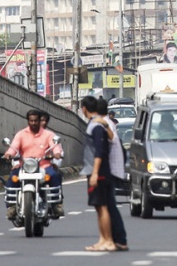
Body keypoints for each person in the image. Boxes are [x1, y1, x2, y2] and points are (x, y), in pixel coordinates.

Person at [3, 109, 63, 219]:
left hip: (43, 167)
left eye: (36, 121)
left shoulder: (48, 134)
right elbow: (14, 147)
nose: (33, 123)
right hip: (25, 167)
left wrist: (57, 153)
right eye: (31, 121)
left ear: (39, 121)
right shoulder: (21, 134)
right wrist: (8, 154)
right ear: (28, 121)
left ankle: (56, 205)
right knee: (12, 178)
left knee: (54, 175)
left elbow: (55, 147)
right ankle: (11, 206)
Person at [88, 97, 129, 251]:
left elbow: (100, 150)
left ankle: (117, 239)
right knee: (109, 206)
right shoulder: (107, 123)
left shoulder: (102, 125)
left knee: (108, 207)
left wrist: (95, 172)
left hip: (108, 170)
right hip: (111, 169)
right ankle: (113, 239)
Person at [80, 96, 116, 252]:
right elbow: (111, 137)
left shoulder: (96, 126)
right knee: (98, 207)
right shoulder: (96, 124)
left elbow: (99, 151)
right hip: (96, 171)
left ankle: (108, 241)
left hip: (99, 172)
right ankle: (102, 239)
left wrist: (95, 173)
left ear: (84, 108)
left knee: (102, 207)